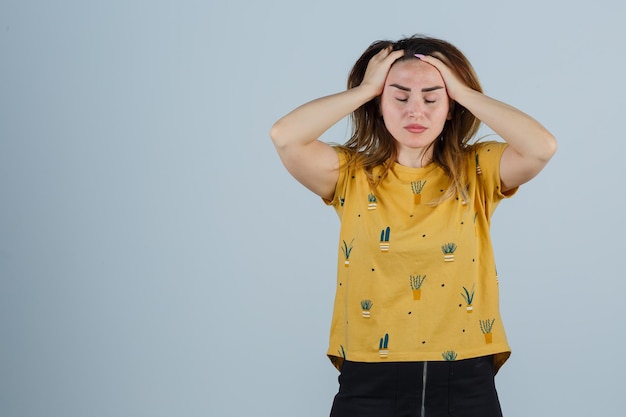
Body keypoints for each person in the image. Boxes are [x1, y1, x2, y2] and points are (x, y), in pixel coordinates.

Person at [270, 35, 556, 417]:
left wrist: (462, 92)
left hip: (465, 372)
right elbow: (284, 137)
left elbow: (542, 147)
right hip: (368, 373)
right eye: (400, 97)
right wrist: (367, 88)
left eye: (431, 98)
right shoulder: (350, 174)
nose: (415, 112)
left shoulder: (478, 169)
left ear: (450, 105)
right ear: (379, 105)